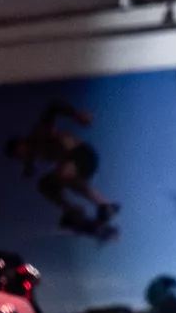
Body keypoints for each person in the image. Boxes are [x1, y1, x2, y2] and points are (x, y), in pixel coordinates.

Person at [6, 102, 119, 241]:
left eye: (22, 152)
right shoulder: (29, 157)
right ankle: (73, 211)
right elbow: (29, 162)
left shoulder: (38, 132)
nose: (25, 156)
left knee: (63, 172)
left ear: (22, 143)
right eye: (20, 157)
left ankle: (104, 204)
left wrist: (76, 115)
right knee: (46, 185)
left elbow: (53, 108)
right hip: (74, 166)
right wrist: (28, 169)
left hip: (82, 155)